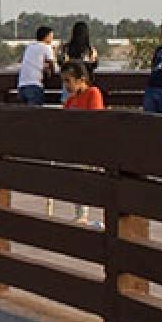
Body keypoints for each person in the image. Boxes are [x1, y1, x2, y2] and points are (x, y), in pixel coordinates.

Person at [61, 62, 105, 227]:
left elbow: (95, 120)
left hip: (92, 146)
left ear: (81, 80)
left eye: (68, 81)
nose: (66, 86)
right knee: (77, 179)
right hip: (75, 148)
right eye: (63, 82)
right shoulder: (70, 101)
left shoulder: (93, 93)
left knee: (89, 181)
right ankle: (81, 214)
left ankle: (88, 215)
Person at [16, 26, 58, 106]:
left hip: (22, 85)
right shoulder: (46, 47)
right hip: (34, 86)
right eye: (51, 37)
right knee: (35, 115)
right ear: (46, 37)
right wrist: (51, 74)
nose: (52, 39)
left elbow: (34, 63)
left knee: (23, 116)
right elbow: (52, 64)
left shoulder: (30, 46)